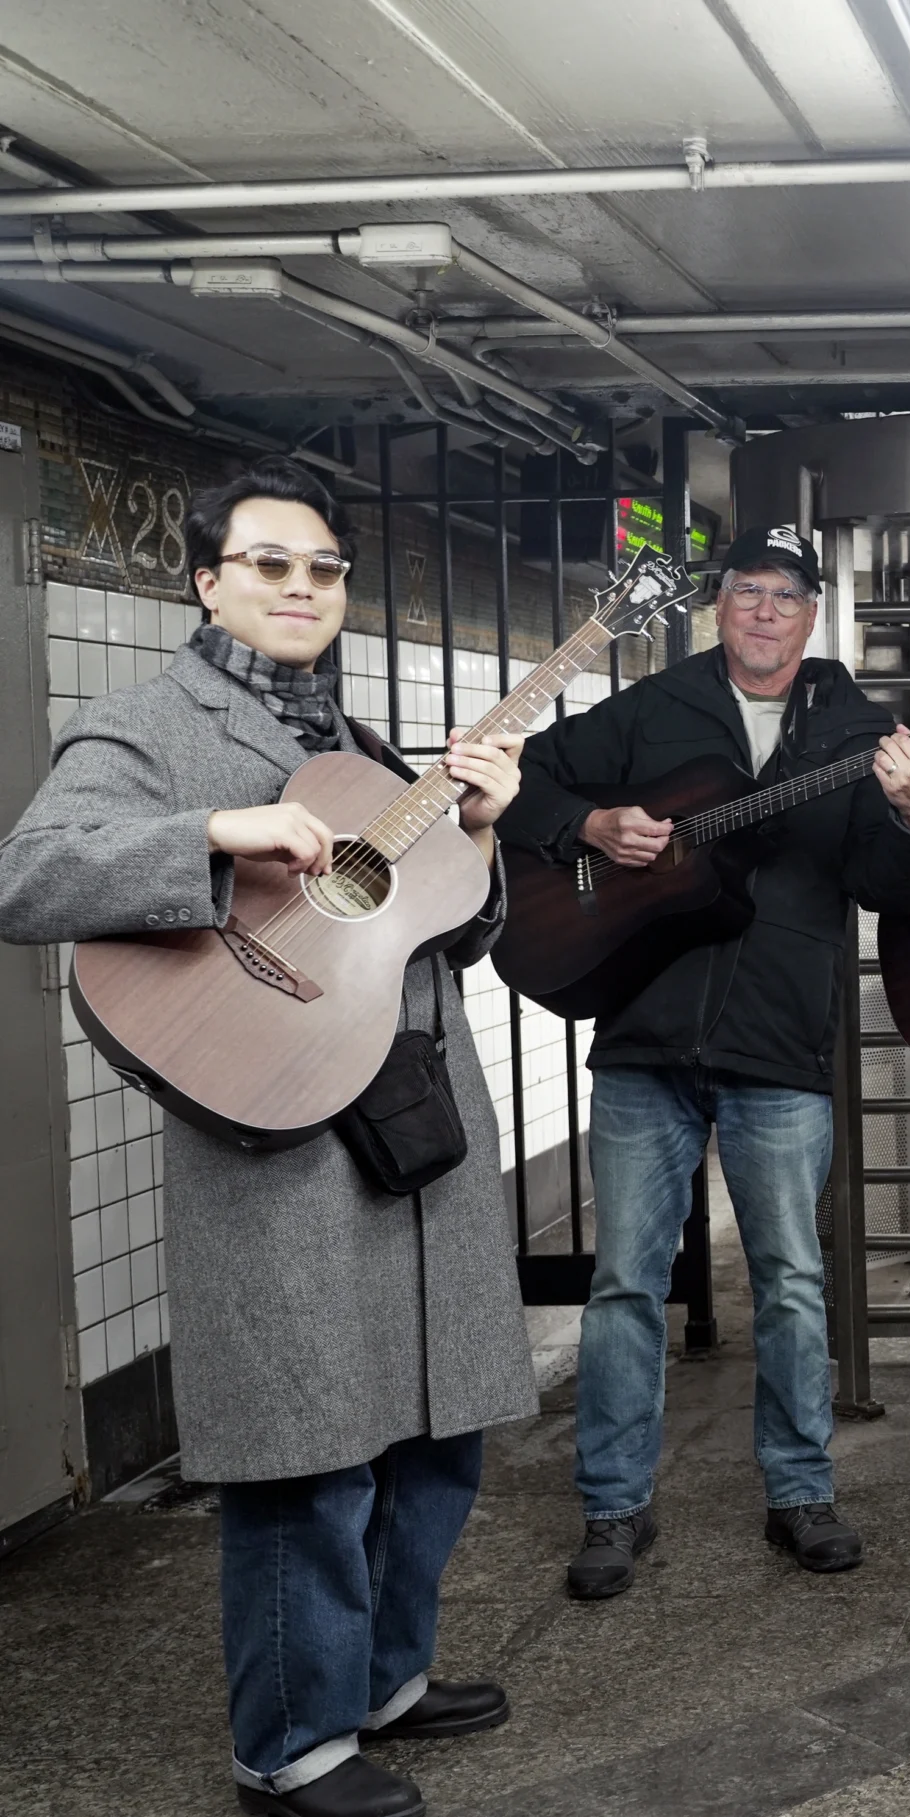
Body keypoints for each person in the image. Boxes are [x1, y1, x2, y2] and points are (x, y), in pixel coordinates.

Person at [0, 458, 531, 1817]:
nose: (303, 588)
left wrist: (474, 830)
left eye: (324, 570)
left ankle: (384, 1682)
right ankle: (289, 1746)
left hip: (413, 1130)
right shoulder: (148, 725)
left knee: (434, 1430)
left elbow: (436, 927)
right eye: (270, 564)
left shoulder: (357, 740)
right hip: (281, 1147)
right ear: (207, 577)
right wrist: (214, 829)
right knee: (310, 1453)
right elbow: (31, 872)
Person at [499, 526, 910, 1600]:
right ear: (719, 605)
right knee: (624, 1285)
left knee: (792, 1281)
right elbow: (526, 783)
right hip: (645, 1032)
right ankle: (612, 1506)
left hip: (779, 1042)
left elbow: (889, 885)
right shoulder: (651, 710)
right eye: (746, 590)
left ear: (811, 613)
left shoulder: (853, 726)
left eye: (785, 596)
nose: (763, 611)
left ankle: (799, 1492)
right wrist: (594, 823)